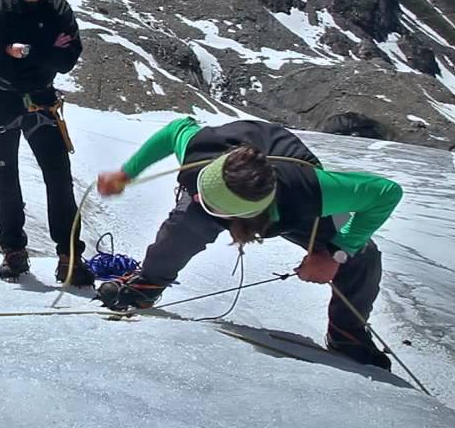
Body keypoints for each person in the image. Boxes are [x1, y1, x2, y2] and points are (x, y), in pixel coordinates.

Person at [95, 117, 402, 369]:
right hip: (226, 171)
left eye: (213, 205)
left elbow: (386, 192)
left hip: (285, 199)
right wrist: (126, 173)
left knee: (363, 255)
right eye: (202, 191)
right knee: (185, 225)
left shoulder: (308, 192)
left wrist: (337, 253)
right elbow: (175, 129)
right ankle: (145, 285)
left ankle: (346, 333)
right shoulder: (200, 152)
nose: (199, 199)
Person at [0, 0, 91, 285]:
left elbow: (69, 59)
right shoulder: (0, 10)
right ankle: (14, 251)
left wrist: (25, 50)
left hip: (41, 98)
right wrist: (47, 49)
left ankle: (68, 255)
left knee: (59, 178)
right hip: (6, 99)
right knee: (6, 177)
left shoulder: (59, 9)